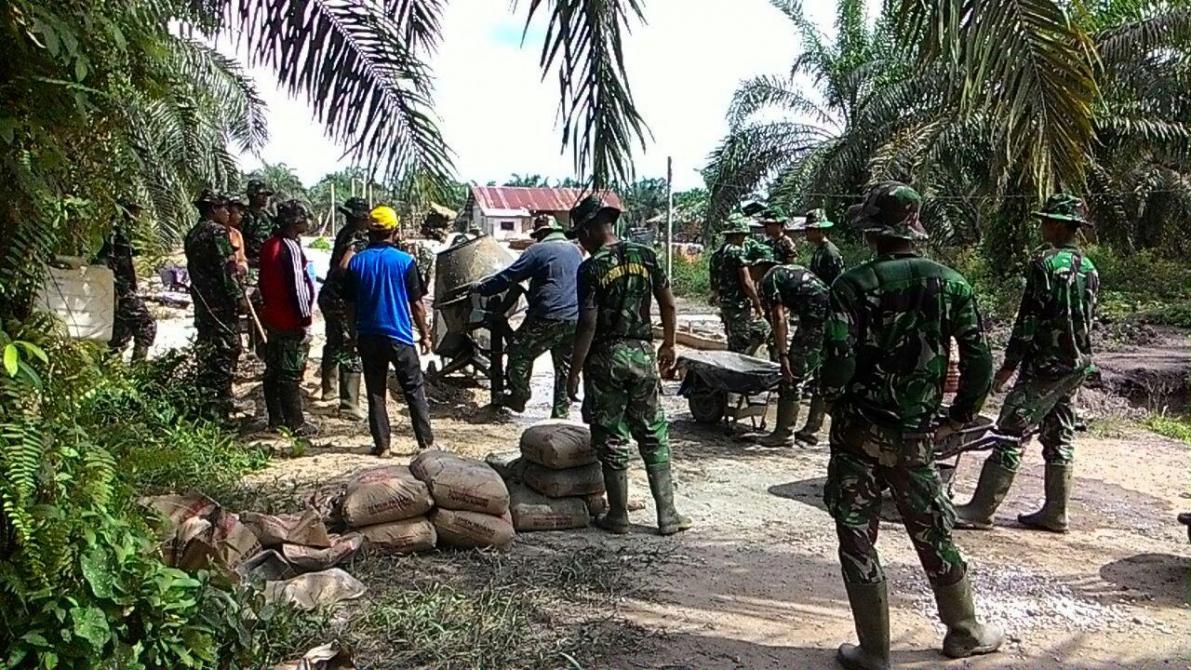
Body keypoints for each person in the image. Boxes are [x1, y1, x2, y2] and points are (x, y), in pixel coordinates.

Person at [821, 182, 1001, 668]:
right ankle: (964, 630)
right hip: (917, 435)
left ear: (872, 232)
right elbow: (979, 360)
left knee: (857, 533)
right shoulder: (952, 283)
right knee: (932, 527)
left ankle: (874, 651)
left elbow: (837, 362)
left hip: (858, 433)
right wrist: (959, 417)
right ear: (914, 229)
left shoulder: (852, 286)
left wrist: (834, 404)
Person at [954, 194, 1099, 534]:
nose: (1042, 226)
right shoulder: (1090, 269)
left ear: (1060, 225)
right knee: (1060, 434)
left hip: (1045, 366)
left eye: (1046, 220)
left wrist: (1009, 365)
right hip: (1075, 365)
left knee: (1009, 430)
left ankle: (980, 510)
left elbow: (1028, 319)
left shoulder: (1044, 263)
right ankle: (1056, 512)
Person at [566, 195, 692, 537]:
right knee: (653, 432)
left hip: (606, 359)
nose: (581, 241)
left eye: (581, 234)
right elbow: (668, 304)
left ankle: (618, 516)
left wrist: (574, 370)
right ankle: (668, 515)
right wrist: (669, 342)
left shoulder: (591, 268)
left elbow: (587, 323)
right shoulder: (646, 256)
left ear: (589, 230)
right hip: (642, 355)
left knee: (611, 435)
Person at [343, 205, 434, 457]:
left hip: (368, 335)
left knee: (375, 392)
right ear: (394, 230)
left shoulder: (357, 262)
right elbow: (417, 304)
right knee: (413, 389)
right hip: (399, 336)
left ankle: (383, 446)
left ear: (370, 231)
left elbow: (350, 305)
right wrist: (425, 334)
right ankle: (426, 444)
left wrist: (353, 333)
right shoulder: (405, 262)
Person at [477, 214, 583, 418]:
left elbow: (510, 276)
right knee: (564, 366)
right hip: (574, 319)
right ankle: (560, 412)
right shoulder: (575, 251)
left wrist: (482, 288)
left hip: (547, 316)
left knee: (519, 351)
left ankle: (519, 397)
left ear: (541, 234)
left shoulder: (537, 251)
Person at [748, 257, 829, 447]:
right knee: (821, 376)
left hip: (815, 321)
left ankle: (783, 434)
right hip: (834, 319)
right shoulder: (789, 270)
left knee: (792, 376)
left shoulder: (769, 278)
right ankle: (811, 430)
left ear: (759, 266)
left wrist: (783, 355)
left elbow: (779, 318)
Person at [258, 200, 318, 436]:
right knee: (290, 371)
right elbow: (298, 286)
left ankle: (276, 419)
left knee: (273, 368)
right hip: (288, 318)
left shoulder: (269, 245)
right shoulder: (289, 247)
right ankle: (296, 423)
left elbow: (263, 282)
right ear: (295, 222)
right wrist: (305, 319)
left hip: (273, 316)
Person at [183, 189, 244, 420]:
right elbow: (226, 269)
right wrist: (238, 297)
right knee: (227, 348)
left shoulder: (193, 234)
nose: (228, 213)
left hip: (202, 302)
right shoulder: (217, 232)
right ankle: (221, 406)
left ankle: (208, 402)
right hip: (220, 303)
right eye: (224, 208)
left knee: (207, 348)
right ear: (213, 209)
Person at [317, 197, 371, 419]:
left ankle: (329, 389)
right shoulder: (357, 237)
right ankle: (349, 405)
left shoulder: (344, 232)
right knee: (350, 345)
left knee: (334, 341)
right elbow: (344, 267)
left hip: (330, 295)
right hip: (341, 299)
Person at [100, 201, 156, 361]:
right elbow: (111, 261)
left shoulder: (113, 229)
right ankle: (138, 368)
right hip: (120, 289)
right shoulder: (117, 231)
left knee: (120, 331)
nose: (138, 216)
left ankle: (110, 365)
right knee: (146, 325)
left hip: (116, 289)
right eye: (135, 211)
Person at [717, 214, 771, 355]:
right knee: (760, 331)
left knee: (733, 340)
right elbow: (746, 282)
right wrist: (757, 304)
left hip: (725, 305)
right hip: (738, 305)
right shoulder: (737, 252)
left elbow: (714, 285)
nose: (744, 239)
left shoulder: (717, 255)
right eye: (743, 236)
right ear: (738, 235)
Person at [804, 208, 845, 287]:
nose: (806, 232)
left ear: (820, 230)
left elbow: (838, 281)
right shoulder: (819, 250)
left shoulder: (830, 252)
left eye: (810, 229)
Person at [241, 179, 275, 267]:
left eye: (267, 195)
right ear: (252, 194)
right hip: (248, 264)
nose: (265, 197)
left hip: (267, 262)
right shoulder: (243, 215)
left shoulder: (268, 216)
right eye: (262, 194)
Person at [224, 195, 251, 276]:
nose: (242, 214)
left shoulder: (237, 234)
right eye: (238, 210)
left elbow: (242, 259)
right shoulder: (215, 232)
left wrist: (242, 268)